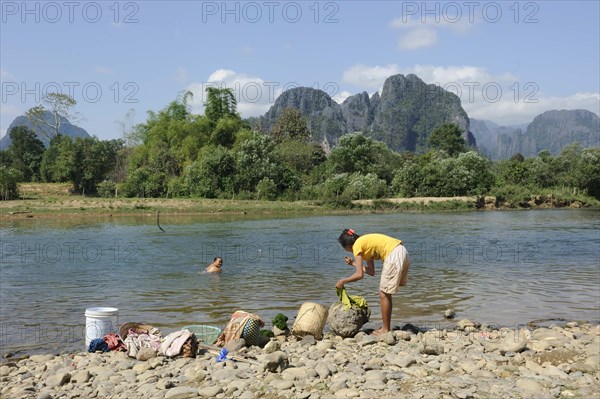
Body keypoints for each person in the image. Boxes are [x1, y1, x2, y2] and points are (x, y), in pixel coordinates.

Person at [337, 228, 410, 336]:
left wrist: (343, 281)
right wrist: (353, 263)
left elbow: (359, 275)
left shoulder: (357, 245)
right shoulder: (364, 243)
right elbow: (371, 271)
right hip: (402, 252)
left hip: (394, 254)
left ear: (347, 246)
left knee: (383, 293)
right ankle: (386, 327)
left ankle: (385, 329)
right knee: (386, 292)